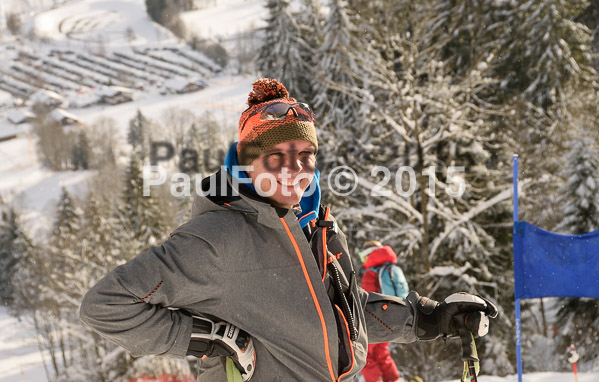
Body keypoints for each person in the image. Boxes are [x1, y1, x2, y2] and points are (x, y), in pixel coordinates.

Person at [79, 78, 498, 382]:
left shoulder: (314, 225)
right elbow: (106, 305)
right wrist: (210, 338)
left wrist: (429, 318)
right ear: (247, 163)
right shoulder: (217, 238)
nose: (292, 168)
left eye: (304, 154)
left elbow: (338, 314)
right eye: (275, 156)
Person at [359, 241, 408, 382]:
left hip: (376, 321)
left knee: (364, 354)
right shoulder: (391, 269)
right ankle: (393, 380)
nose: (364, 261)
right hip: (394, 318)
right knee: (382, 353)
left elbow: (367, 300)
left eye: (364, 257)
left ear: (370, 254)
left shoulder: (370, 274)